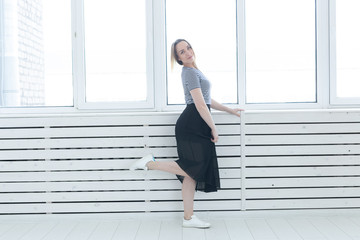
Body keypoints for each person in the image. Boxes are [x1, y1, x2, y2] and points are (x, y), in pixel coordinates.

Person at [130, 39, 243, 228]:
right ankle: (149, 163)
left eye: (188, 48)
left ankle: (188, 218)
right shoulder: (189, 72)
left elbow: (206, 99)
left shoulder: (194, 71)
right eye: (182, 52)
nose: (188, 52)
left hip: (197, 123)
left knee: (191, 174)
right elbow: (199, 104)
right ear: (179, 59)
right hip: (192, 125)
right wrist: (213, 127)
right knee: (193, 168)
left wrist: (229, 109)